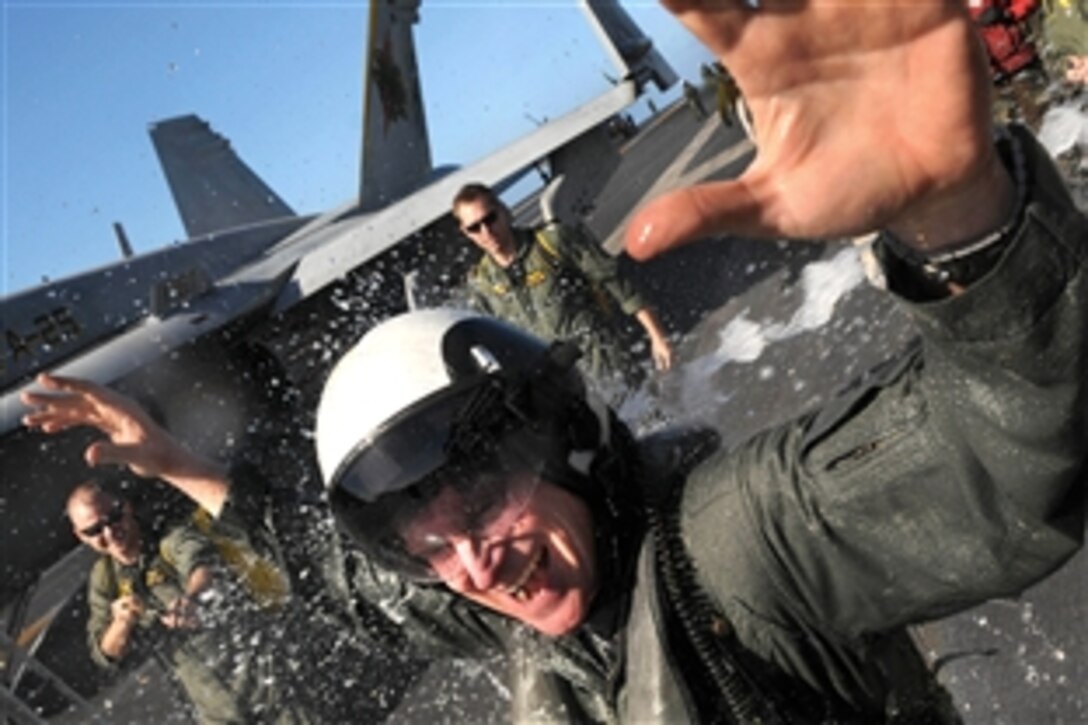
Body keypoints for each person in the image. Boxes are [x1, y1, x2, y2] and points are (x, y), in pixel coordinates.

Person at [22, 2, 1088, 722]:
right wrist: (167, 460)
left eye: (476, 485)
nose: (471, 558)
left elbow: (1006, 457)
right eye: (418, 526)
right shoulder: (486, 582)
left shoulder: (736, 542)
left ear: (564, 435)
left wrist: (959, 219)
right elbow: (348, 579)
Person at [67, 479, 306, 724]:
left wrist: (193, 598)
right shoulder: (105, 579)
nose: (109, 532)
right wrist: (122, 623)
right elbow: (104, 655)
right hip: (215, 711)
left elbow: (202, 563)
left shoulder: (169, 538)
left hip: (270, 686)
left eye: (114, 517)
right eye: (94, 530)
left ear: (127, 508)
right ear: (81, 536)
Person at [452, 182, 673, 391]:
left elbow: (618, 283)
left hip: (604, 367)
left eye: (490, 218)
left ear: (503, 211)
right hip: (555, 390)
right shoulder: (482, 285)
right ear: (465, 233)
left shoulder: (553, 242)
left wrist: (657, 336)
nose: (487, 232)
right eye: (475, 227)